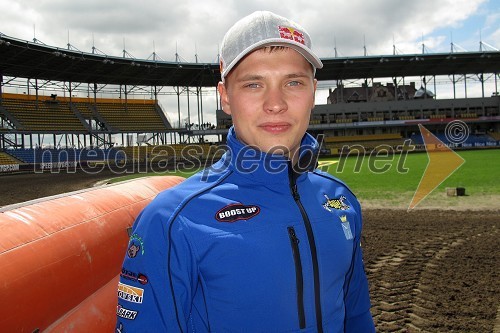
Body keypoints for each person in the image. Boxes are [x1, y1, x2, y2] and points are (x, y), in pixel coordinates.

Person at [116, 11, 375, 332]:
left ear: (313, 91)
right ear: (225, 97)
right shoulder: (171, 220)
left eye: (293, 82)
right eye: (254, 84)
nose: (276, 103)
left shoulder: (341, 200)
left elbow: (357, 318)